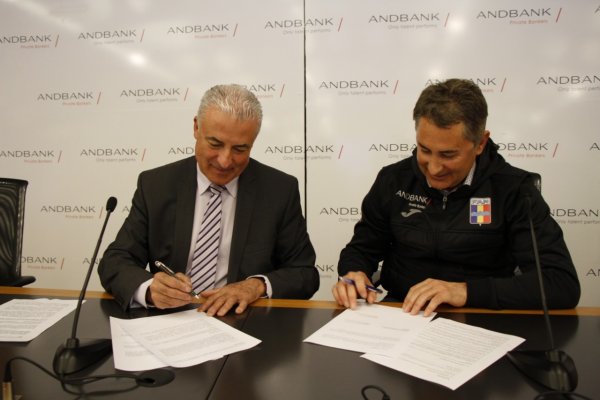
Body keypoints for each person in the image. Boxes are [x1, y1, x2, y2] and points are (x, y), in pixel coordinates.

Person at [333, 78, 580, 316]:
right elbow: (362, 248)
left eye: (448, 155)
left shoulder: (515, 190)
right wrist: (354, 272)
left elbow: (561, 284)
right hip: (403, 313)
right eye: (424, 150)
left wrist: (465, 292)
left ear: (480, 143)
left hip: (482, 315)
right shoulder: (393, 179)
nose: (433, 169)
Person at [99, 84, 319, 316]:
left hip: (242, 322)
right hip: (168, 320)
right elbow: (116, 260)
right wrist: (149, 289)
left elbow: (304, 273)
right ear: (196, 127)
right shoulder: (156, 185)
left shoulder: (279, 190)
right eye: (215, 144)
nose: (225, 161)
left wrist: (256, 286)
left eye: (240, 149)